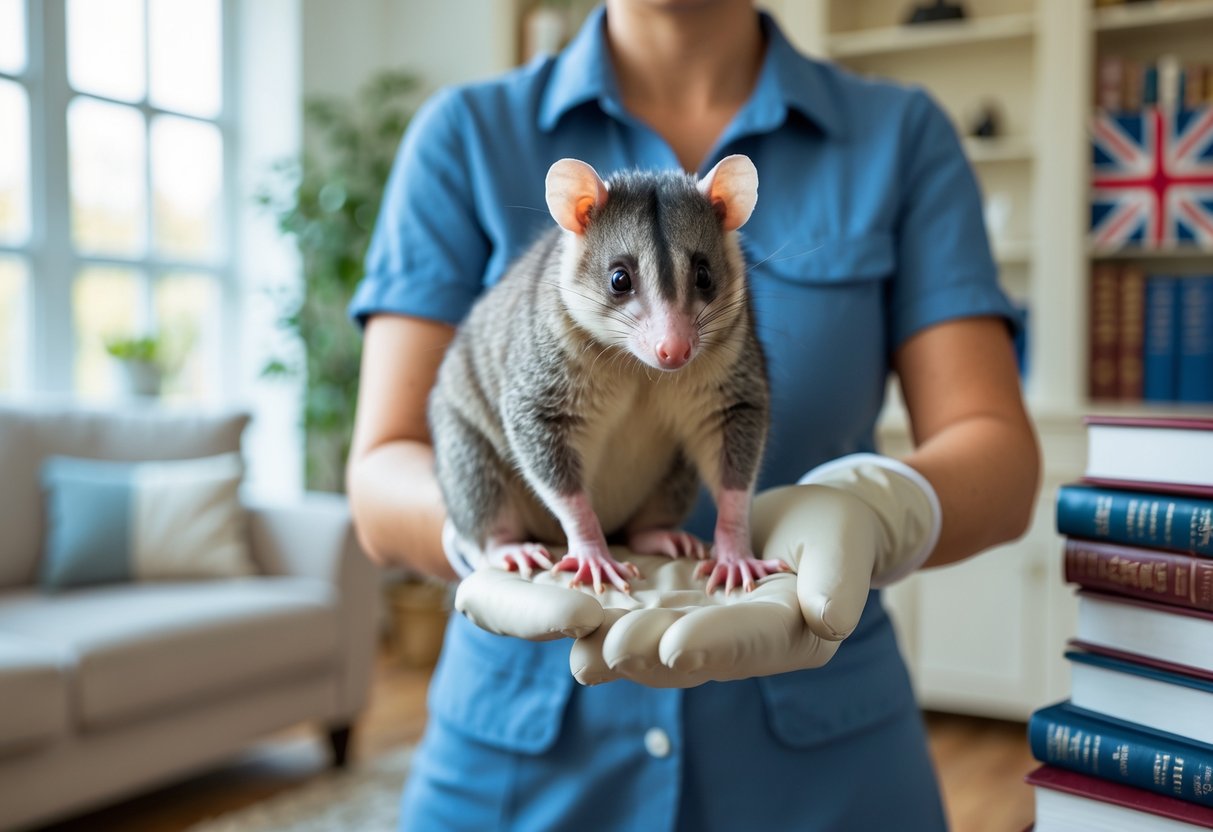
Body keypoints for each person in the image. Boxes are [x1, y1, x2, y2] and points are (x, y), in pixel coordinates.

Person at [346, 0, 1041, 828]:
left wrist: (868, 510)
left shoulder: (900, 135)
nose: (672, 341)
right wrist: (484, 540)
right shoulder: (464, 132)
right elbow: (385, 463)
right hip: (518, 761)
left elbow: (1000, 456)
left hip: (825, 757)